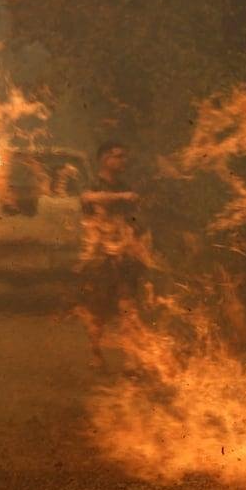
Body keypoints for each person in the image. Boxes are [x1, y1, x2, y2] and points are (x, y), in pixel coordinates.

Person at [77, 141, 150, 370]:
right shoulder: (94, 184)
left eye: (124, 156)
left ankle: (130, 358)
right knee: (98, 310)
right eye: (117, 156)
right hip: (99, 255)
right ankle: (96, 354)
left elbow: (134, 222)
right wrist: (122, 198)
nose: (122, 161)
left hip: (123, 254)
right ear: (104, 160)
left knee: (128, 305)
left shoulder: (126, 186)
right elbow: (88, 199)